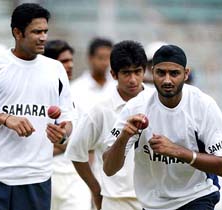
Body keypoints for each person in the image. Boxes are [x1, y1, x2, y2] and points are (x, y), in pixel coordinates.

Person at [0, 3, 74, 210]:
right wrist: (4, 118)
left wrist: (62, 133)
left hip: (36, 176)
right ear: (17, 32)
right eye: (36, 32)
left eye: (45, 31)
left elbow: (67, 120)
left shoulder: (55, 69)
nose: (43, 37)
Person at [103, 44, 222, 210]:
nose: (167, 80)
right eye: (161, 73)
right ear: (152, 72)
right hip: (153, 204)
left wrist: (176, 151)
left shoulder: (203, 105)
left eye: (174, 73)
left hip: (196, 196)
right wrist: (123, 137)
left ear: (186, 74)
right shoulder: (135, 107)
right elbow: (108, 169)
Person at [66, 40, 152, 210]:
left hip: (155, 198)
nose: (133, 80)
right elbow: (76, 152)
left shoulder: (157, 101)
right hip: (116, 201)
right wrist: (96, 190)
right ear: (113, 74)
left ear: (144, 71)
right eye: (126, 73)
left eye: (137, 72)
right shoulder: (100, 110)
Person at [44, 40, 92, 210]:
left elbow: (85, 144)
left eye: (71, 60)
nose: (70, 65)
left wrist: (62, 144)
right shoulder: (37, 95)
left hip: (75, 178)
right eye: (64, 61)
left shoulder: (80, 93)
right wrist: (66, 144)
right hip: (43, 176)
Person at [71, 37, 115, 115]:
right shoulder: (76, 89)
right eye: (100, 58)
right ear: (90, 58)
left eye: (108, 58)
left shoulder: (117, 85)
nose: (105, 63)